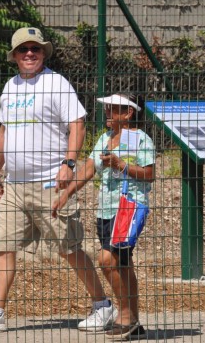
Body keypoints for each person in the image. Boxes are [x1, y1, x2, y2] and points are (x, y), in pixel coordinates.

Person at [0, 27, 117, 333]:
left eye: (35, 49)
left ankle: (103, 306)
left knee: (67, 247)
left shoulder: (56, 83)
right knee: (3, 247)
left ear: (44, 53)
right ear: (15, 56)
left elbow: (78, 125)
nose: (29, 54)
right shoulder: (10, 87)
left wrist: (69, 164)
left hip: (50, 184)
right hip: (15, 185)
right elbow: (4, 132)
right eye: (23, 50)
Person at [54, 93, 155, 340]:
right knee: (122, 263)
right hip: (105, 211)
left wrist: (121, 165)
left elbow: (150, 173)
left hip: (127, 208)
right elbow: (88, 169)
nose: (108, 112)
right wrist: (66, 194)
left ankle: (126, 313)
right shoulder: (105, 138)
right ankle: (133, 320)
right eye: (107, 108)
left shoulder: (138, 139)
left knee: (108, 260)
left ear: (129, 113)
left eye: (113, 108)